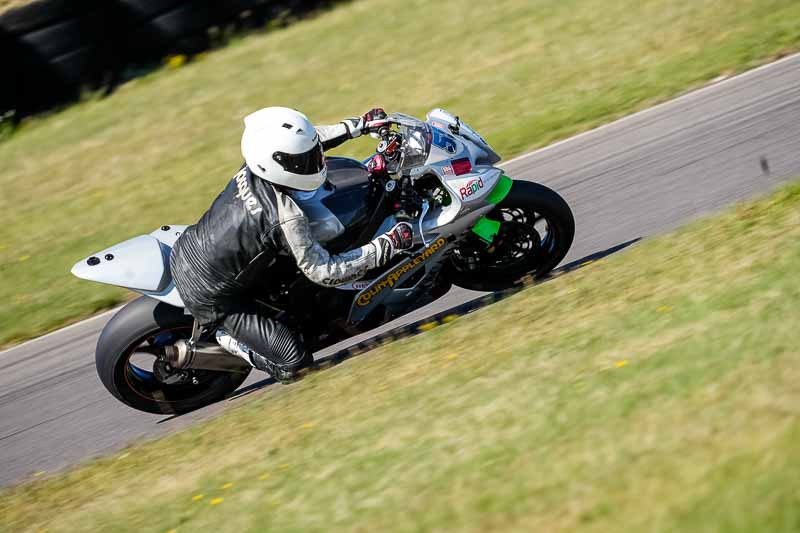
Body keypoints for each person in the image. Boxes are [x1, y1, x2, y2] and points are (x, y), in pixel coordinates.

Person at [169, 106, 414, 382]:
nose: (317, 162)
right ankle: (230, 339)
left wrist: (356, 126)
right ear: (277, 163)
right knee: (295, 364)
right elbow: (325, 272)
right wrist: (385, 246)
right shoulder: (285, 217)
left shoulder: (255, 164)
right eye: (306, 161)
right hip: (214, 299)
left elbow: (306, 143)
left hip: (187, 248)